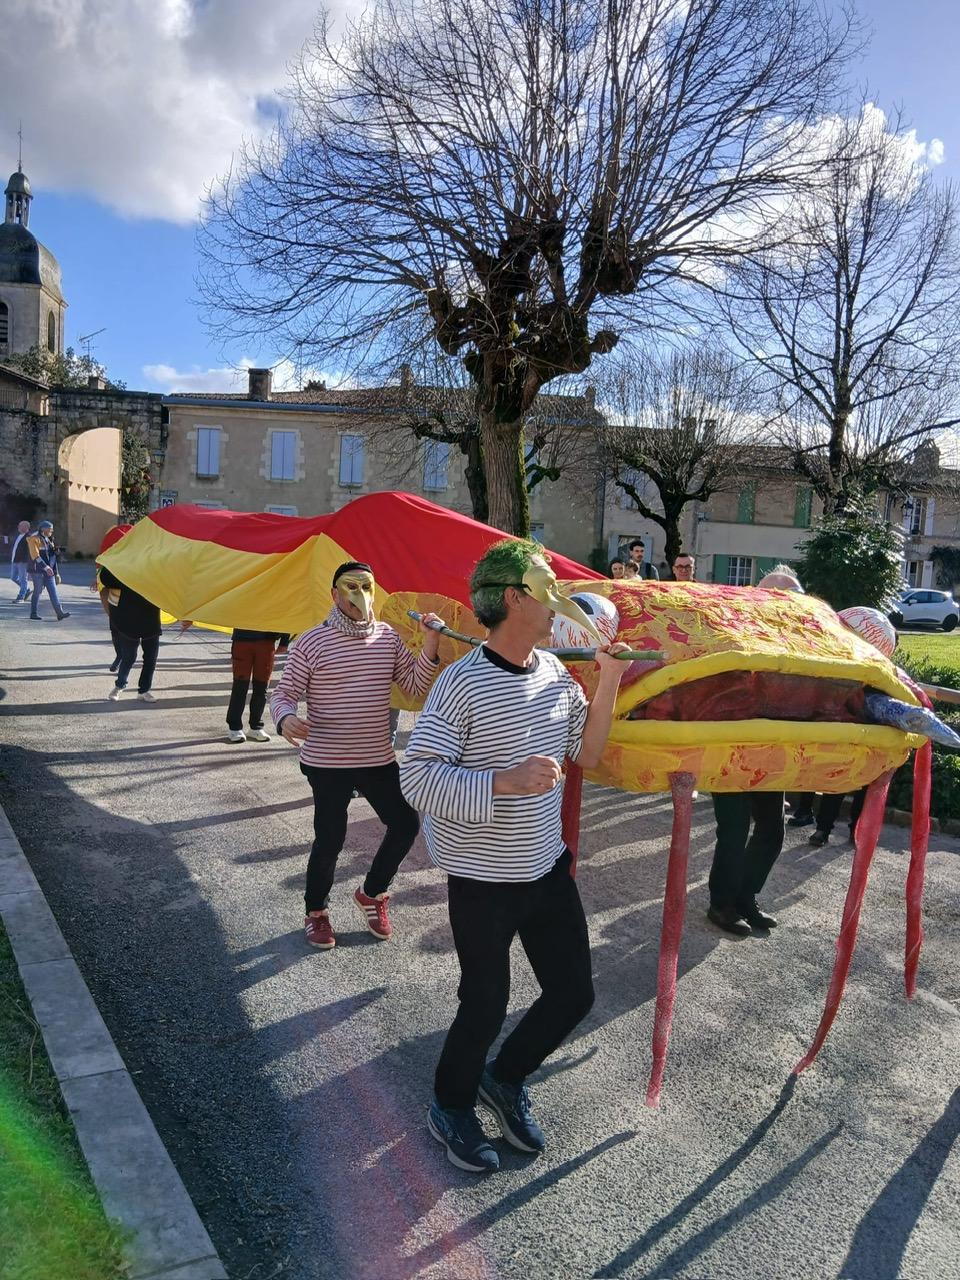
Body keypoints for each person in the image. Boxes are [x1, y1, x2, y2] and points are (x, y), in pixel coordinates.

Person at [400, 540, 629, 1174]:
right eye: (546, 585)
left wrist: (607, 680)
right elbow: (416, 779)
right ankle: (449, 1105)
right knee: (484, 1002)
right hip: (482, 876)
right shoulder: (462, 681)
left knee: (573, 993)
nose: (558, 596)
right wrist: (503, 780)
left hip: (546, 865)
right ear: (513, 598)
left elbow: (588, 752)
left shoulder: (556, 673)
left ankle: (505, 1077)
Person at [270, 561, 443, 950]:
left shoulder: (387, 637)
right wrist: (285, 719)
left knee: (405, 825)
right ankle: (316, 912)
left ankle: (373, 893)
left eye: (367, 587)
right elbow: (282, 693)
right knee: (330, 839)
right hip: (326, 761)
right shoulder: (311, 641)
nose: (359, 596)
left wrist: (430, 643)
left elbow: (415, 687)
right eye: (350, 588)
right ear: (334, 594)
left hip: (376, 758)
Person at [707, 792, 784, 936]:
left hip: (773, 770)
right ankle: (721, 904)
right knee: (733, 830)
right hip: (730, 771)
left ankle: (744, 897)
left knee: (773, 828)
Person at [98, 568, 162, 701]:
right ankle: (120, 686)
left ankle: (144, 691)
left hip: (150, 618)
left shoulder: (156, 567)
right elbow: (105, 577)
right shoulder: (124, 565)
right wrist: (116, 564)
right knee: (129, 657)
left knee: (151, 658)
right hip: (128, 620)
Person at [226, 629, 290, 743]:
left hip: (267, 640)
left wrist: (284, 641)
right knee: (240, 686)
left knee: (262, 686)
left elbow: (284, 612)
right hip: (242, 639)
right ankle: (234, 727)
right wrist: (192, 618)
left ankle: (256, 726)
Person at [28, 520, 70, 621]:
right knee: (37, 591)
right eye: (50, 528)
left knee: (53, 591)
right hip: (38, 571)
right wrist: (45, 567)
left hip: (49, 572)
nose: (52, 530)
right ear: (43, 528)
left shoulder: (48, 540)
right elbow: (35, 556)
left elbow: (53, 558)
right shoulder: (34, 539)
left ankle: (59, 613)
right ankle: (33, 613)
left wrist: (56, 572)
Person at [10, 520, 31, 602]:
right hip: (15, 560)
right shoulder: (19, 536)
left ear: (26, 527)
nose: (18, 527)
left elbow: (31, 550)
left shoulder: (29, 537)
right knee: (13, 578)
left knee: (23, 579)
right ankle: (27, 589)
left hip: (23, 561)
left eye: (20, 526)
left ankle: (21, 596)